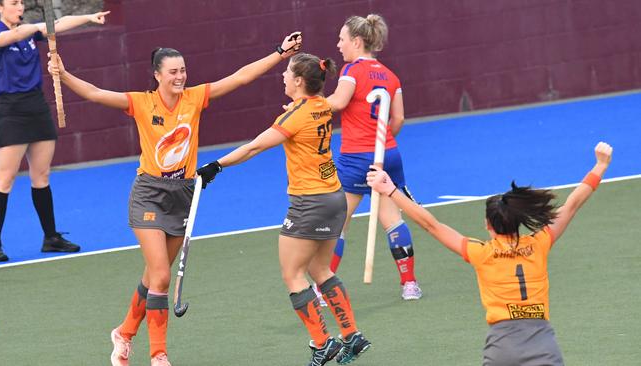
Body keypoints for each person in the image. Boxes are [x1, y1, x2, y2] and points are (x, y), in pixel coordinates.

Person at [48, 32, 302, 366]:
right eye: (173, 72)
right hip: (149, 195)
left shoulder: (195, 98)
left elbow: (240, 77)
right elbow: (95, 94)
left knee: (154, 275)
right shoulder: (141, 103)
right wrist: (63, 75)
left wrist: (279, 53)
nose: (180, 76)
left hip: (183, 195)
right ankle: (159, 355)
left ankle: (123, 334)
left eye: (183, 70)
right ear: (157, 75)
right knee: (162, 276)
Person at [367, 142, 613, 365]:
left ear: (488, 225)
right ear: (518, 222)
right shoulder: (540, 243)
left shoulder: (480, 252)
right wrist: (600, 166)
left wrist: (391, 190)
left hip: (501, 349)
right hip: (543, 346)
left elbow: (432, 225)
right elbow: (572, 205)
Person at [197, 53, 371, 366]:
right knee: (320, 270)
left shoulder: (295, 115)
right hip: (335, 197)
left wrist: (216, 166)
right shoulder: (321, 105)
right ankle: (351, 334)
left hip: (310, 202)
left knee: (292, 274)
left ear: (299, 81)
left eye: (287, 73)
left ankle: (322, 343)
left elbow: (254, 147)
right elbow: (308, 115)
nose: (283, 77)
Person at [0, 0, 110, 261]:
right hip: (12, 111)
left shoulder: (30, 32)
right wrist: (39, 27)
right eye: (14, 3)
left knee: (41, 176)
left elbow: (56, 25)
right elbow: (14, 35)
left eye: (21, 2)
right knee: (4, 179)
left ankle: (51, 237)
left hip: (37, 107)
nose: (19, 7)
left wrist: (89, 17)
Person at [325, 14, 422, 300]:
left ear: (356, 41)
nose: (339, 44)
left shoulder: (351, 71)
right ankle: (409, 284)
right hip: (388, 154)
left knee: (337, 221)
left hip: (355, 158)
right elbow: (399, 118)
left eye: (342, 39)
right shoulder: (391, 76)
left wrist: (307, 104)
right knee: (393, 221)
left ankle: (323, 289)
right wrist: (382, 140)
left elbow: (338, 103)